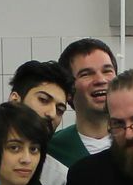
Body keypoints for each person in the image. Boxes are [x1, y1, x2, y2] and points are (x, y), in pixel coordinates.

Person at [47, 38, 118, 167]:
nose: (101, 80)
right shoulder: (50, 151)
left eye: (107, 71)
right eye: (86, 74)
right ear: (68, 91)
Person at [8, 59, 74, 185]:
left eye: (60, 110)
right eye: (43, 100)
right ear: (15, 100)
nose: (52, 114)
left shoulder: (59, 179)